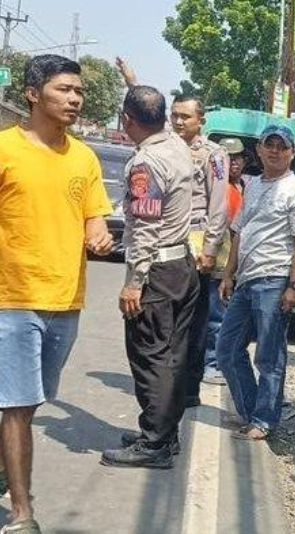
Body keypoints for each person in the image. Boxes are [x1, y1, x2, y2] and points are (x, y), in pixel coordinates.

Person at [0, 54, 113, 533]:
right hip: (11, 298)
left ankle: (8, 471)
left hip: (66, 301)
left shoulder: (84, 157)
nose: (74, 99)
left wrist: (100, 234)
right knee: (19, 404)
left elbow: (95, 215)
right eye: (64, 89)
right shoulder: (5, 149)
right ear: (32, 93)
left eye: (79, 91)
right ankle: (23, 513)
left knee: (32, 400)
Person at [116, 58, 229, 408]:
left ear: (202, 120)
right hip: (177, 243)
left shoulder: (212, 154)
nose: (179, 122)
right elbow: (147, 108)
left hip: (191, 244)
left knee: (192, 327)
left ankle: (186, 390)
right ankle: (173, 402)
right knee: (173, 333)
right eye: (175, 116)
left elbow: (219, 204)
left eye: (187, 117)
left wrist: (210, 247)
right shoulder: (172, 146)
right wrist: (132, 81)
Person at [100, 85, 199, 469]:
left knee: (150, 356)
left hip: (156, 270)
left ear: (126, 120)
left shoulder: (146, 163)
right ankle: (164, 433)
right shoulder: (176, 145)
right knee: (171, 356)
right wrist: (131, 79)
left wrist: (134, 282)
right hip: (181, 267)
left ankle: (154, 443)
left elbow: (143, 226)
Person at [216, 124, 295, 440]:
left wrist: (294, 287)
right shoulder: (253, 186)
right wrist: (229, 274)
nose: (275, 151)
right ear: (259, 150)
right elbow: (239, 233)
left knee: (269, 356)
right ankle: (251, 412)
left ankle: (264, 420)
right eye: (269, 145)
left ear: (292, 153)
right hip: (246, 280)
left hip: (275, 280)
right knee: (227, 350)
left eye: (281, 146)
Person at [202, 137, 249, 385]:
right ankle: (211, 364)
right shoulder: (215, 188)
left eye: (238, 158)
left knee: (228, 320)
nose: (233, 164)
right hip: (218, 263)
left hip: (235, 265)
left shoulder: (244, 187)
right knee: (216, 319)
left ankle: (219, 362)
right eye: (229, 158)